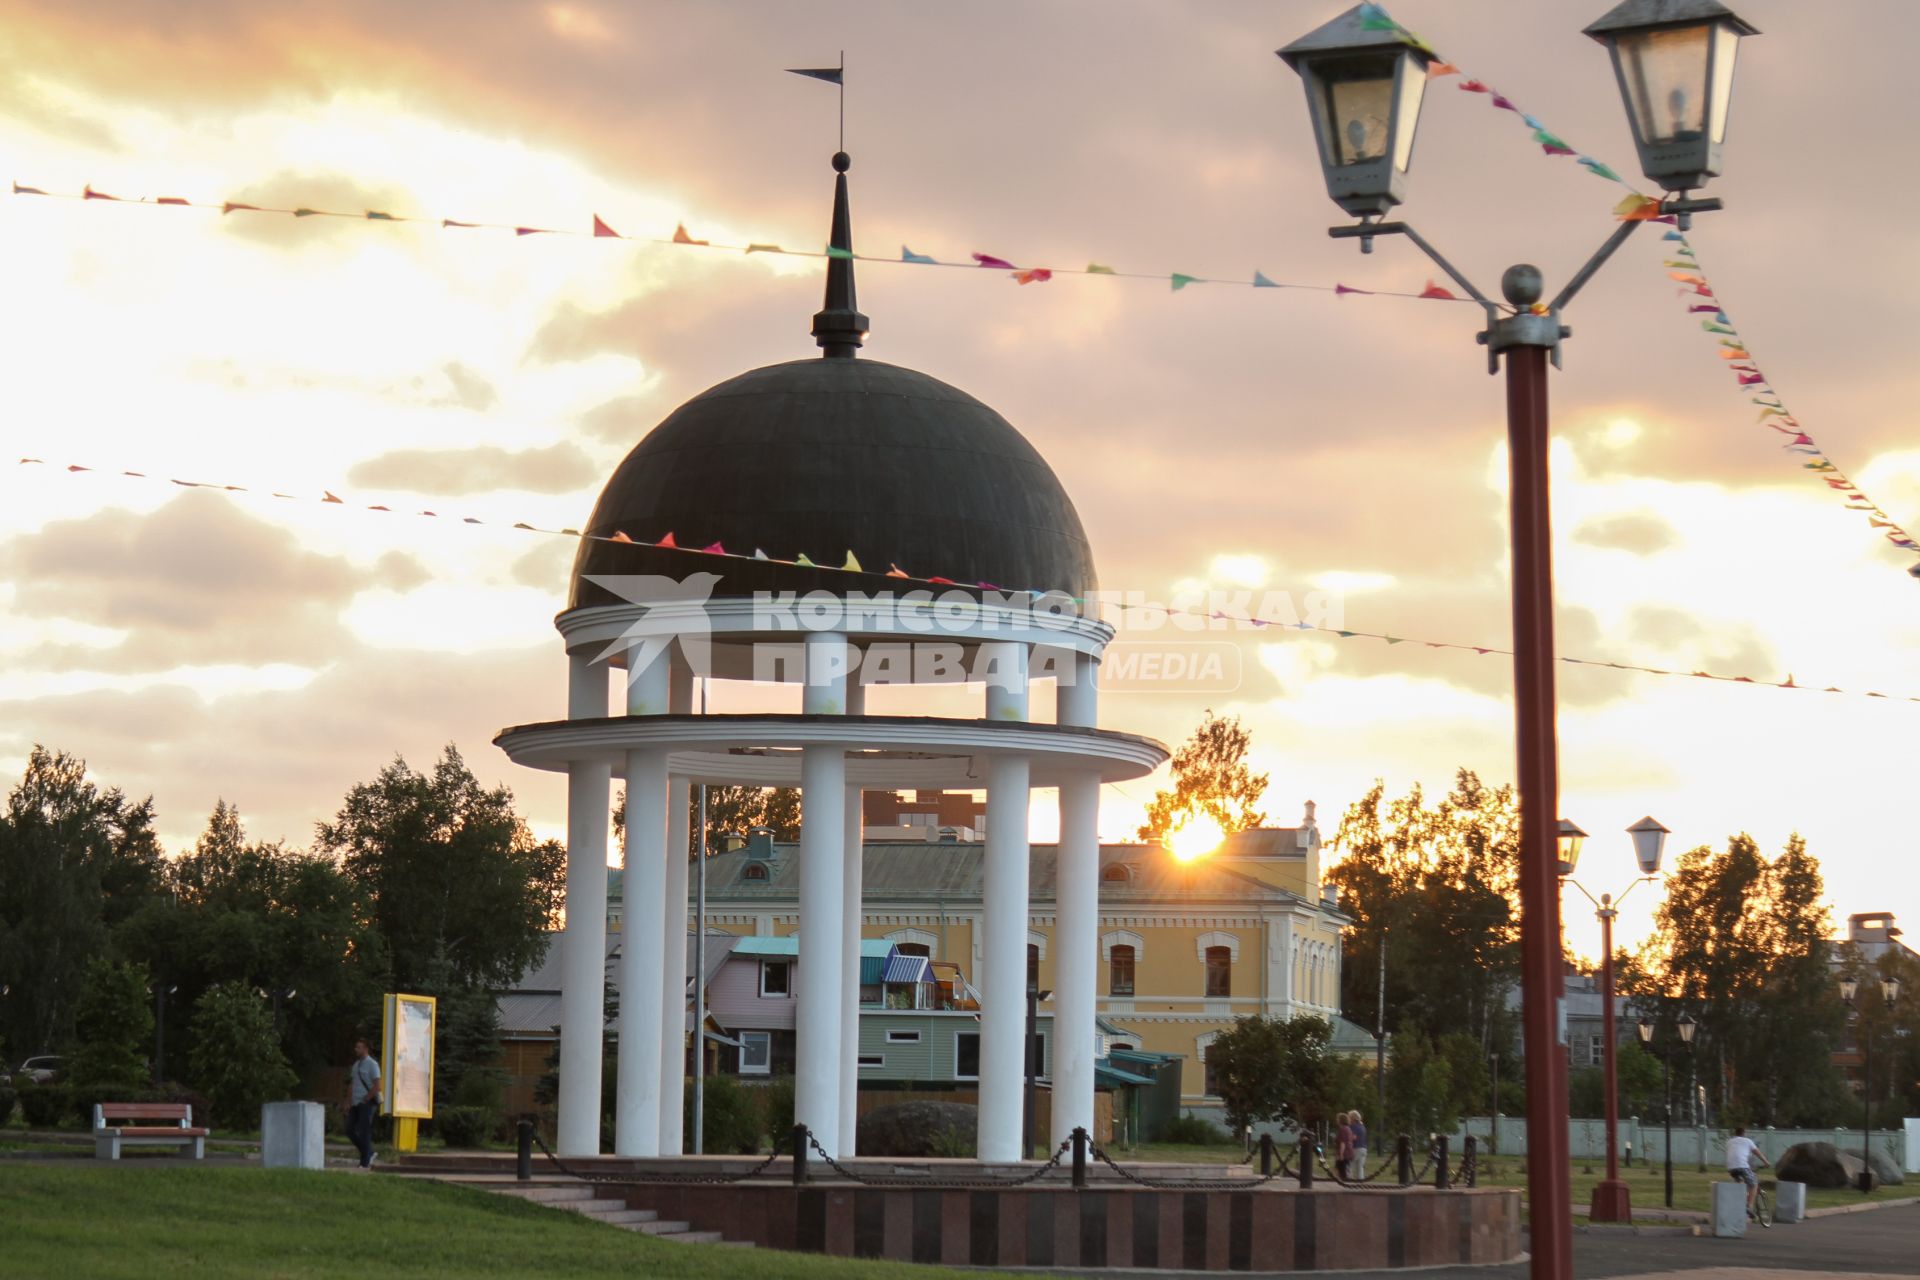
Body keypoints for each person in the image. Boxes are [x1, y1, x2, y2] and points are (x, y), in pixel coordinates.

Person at [343, 1036, 382, 1170]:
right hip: (355, 1103)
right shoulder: (356, 1065)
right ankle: (369, 1152)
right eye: (356, 1047)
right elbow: (352, 1084)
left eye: (358, 1047)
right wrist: (348, 1101)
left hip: (367, 1103)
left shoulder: (372, 1064)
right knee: (349, 1129)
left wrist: (366, 1098)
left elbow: (377, 1085)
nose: (356, 1049)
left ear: (365, 1049)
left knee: (364, 1131)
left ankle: (364, 1163)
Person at [1726, 1125, 1769, 1215]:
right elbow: (1758, 1153)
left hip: (1731, 1168)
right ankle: (1749, 1207)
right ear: (1744, 1133)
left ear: (1735, 1133)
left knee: (1741, 1183)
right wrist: (1766, 1162)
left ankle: (1741, 1203)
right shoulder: (1748, 1141)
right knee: (1753, 1184)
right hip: (1742, 1166)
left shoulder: (1730, 1141)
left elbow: (1736, 1154)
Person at [1349, 1110, 1369, 1179]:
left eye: (1349, 1117)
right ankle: (1360, 1183)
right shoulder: (1362, 1126)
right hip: (1363, 1148)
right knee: (1360, 1168)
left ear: (1353, 1118)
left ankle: (1348, 1182)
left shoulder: (1353, 1126)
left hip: (1356, 1148)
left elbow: (1353, 1137)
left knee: (1350, 1166)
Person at [1335, 1112, 1354, 1181]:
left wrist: (1341, 1154)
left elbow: (1342, 1143)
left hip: (1344, 1153)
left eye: (1338, 1119)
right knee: (1346, 1169)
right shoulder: (1348, 1128)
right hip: (1349, 1152)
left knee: (1342, 1171)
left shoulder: (1342, 1129)